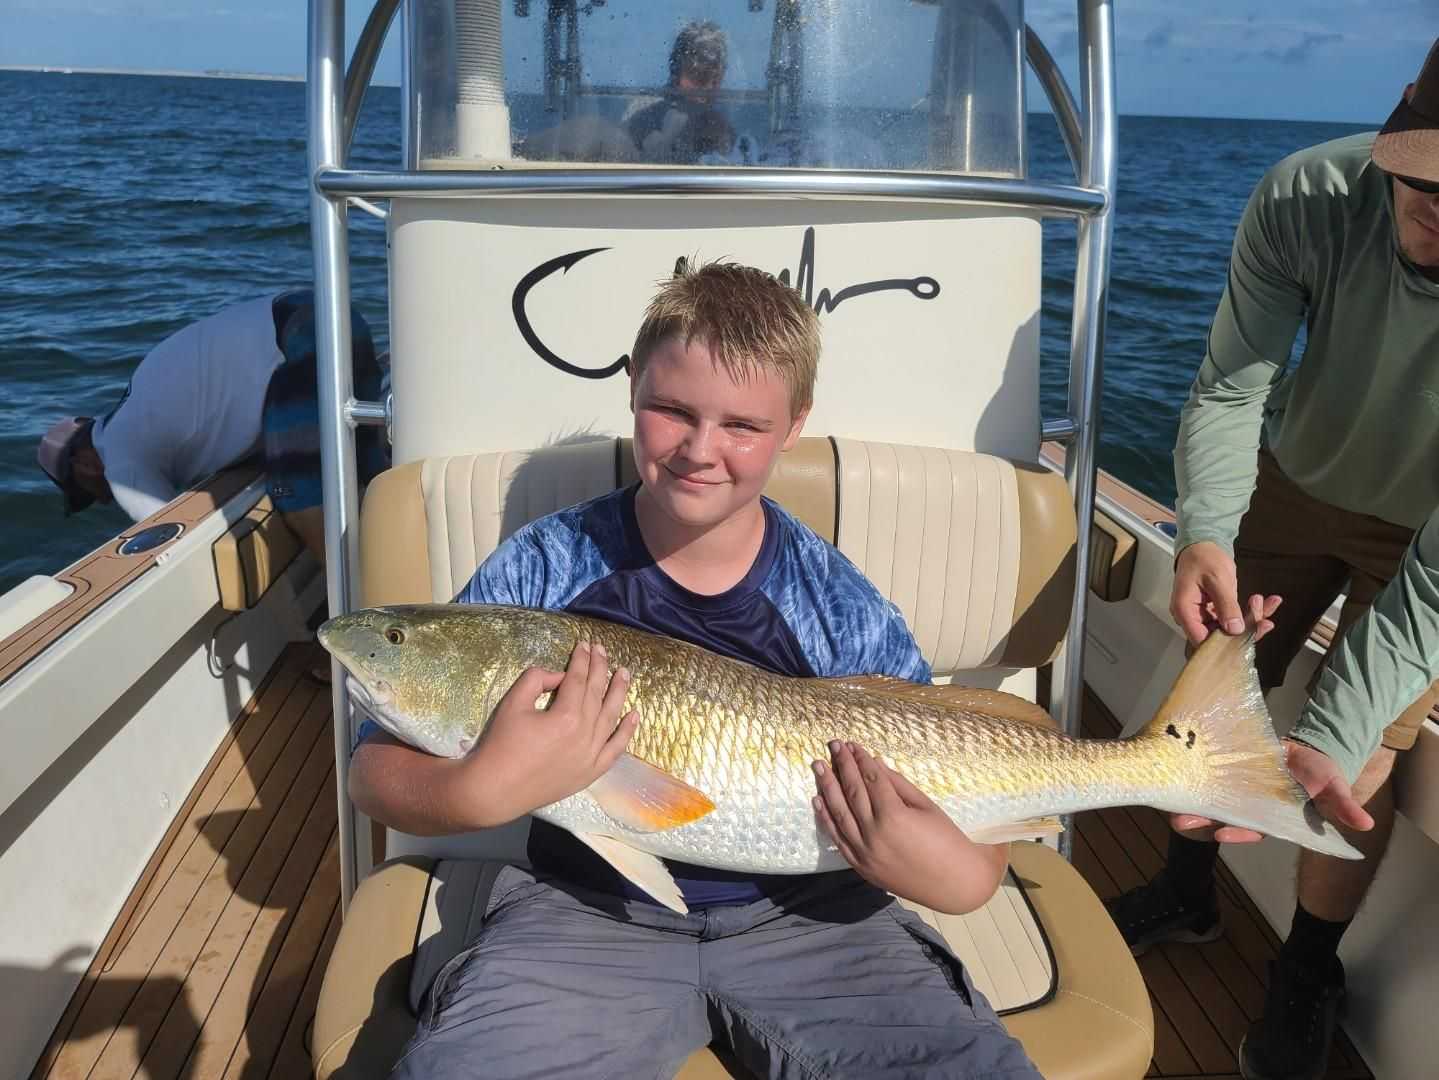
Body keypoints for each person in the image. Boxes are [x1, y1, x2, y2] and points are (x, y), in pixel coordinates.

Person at [349, 261, 1039, 1079]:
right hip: (581, 913)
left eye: (741, 425)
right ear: (631, 386)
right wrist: (477, 793)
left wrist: (946, 875)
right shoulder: (542, 568)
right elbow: (374, 773)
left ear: (793, 425)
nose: (700, 450)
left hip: (822, 921)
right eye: (672, 411)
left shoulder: (836, 603)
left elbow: (972, 854)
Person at [1104, 40, 1439, 1080]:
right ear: (1398, 122)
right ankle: (1185, 888)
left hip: (1425, 529)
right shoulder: (1306, 195)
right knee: (1214, 668)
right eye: (1427, 177)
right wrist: (1203, 529)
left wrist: (1329, 739)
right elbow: (1227, 385)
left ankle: (1304, 968)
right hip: (1296, 471)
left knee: (1364, 751)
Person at [36, 289, 388, 563]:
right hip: (324, 310)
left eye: (86, 492)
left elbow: (174, 538)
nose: (101, 500)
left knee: (299, 498)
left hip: (296, 338)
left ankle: (367, 612)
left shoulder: (120, 462)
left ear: (84, 462)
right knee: (371, 474)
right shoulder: (140, 407)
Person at [624, 20, 737, 164]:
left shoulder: (722, 124)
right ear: (677, 72)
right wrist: (668, 135)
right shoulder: (643, 114)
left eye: (716, 79)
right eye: (699, 75)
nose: (708, 88)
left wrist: (722, 144)